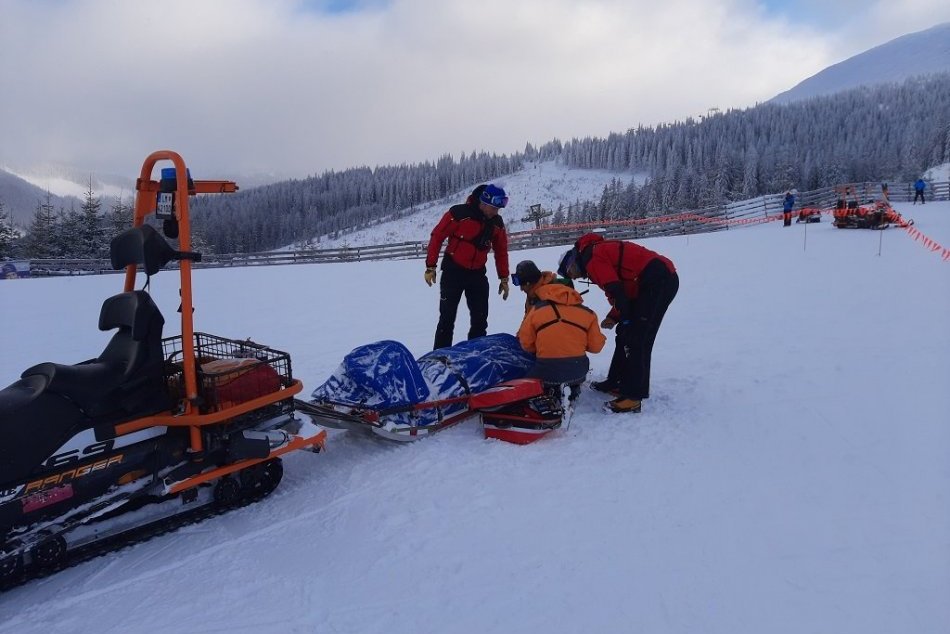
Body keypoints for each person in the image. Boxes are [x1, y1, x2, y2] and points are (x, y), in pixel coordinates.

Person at [558, 233, 678, 414]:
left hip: (659, 280)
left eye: (569, 273)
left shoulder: (592, 259)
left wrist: (625, 317)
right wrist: (615, 317)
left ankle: (633, 397)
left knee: (638, 337)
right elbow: (621, 290)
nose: (573, 278)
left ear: (571, 262)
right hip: (648, 283)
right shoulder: (592, 256)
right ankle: (617, 381)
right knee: (625, 333)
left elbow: (617, 290)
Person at [425, 183, 510, 350]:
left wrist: (504, 277)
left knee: (480, 320)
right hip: (453, 271)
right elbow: (437, 236)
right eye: (494, 208)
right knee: (447, 319)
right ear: (484, 202)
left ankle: (475, 354)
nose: (496, 212)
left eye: (498, 209)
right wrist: (431, 266)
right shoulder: (459, 214)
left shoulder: (497, 224)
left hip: (477, 274)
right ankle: (439, 356)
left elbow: (501, 251)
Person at [513, 260, 605, 398]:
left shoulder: (537, 309)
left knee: (527, 372)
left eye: (522, 285)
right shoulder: (588, 314)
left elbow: (527, 343)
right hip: (579, 370)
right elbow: (596, 347)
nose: (521, 289)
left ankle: (553, 387)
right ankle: (570, 386)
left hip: (546, 371)